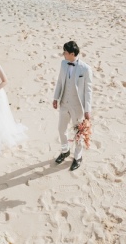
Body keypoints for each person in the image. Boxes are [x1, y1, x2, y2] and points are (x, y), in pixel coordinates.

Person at [52, 40, 93, 171]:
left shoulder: (85, 69)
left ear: (71, 53)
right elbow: (59, 81)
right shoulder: (63, 64)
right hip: (64, 103)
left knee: (78, 133)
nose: (63, 54)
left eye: (65, 52)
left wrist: (87, 110)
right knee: (61, 129)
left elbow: (88, 91)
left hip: (78, 106)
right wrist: (56, 97)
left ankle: (78, 157)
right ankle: (65, 151)